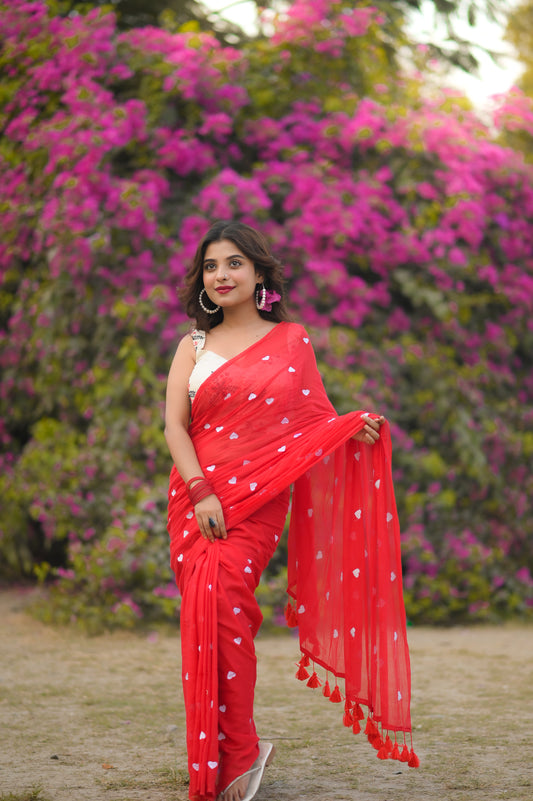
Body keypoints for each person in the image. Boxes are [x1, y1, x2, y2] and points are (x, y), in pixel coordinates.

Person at [164, 221, 417, 801]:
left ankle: (238, 754)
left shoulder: (291, 340)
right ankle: (229, 754)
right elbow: (175, 425)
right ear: (202, 281)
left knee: (227, 604)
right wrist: (202, 490)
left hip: (258, 499)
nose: (221, 275)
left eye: (233, 264)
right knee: (203, 612)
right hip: (197, 498)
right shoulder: (192, 346)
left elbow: (310, 421)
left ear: (258, 274)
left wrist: (352, 429)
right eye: (211, 266)